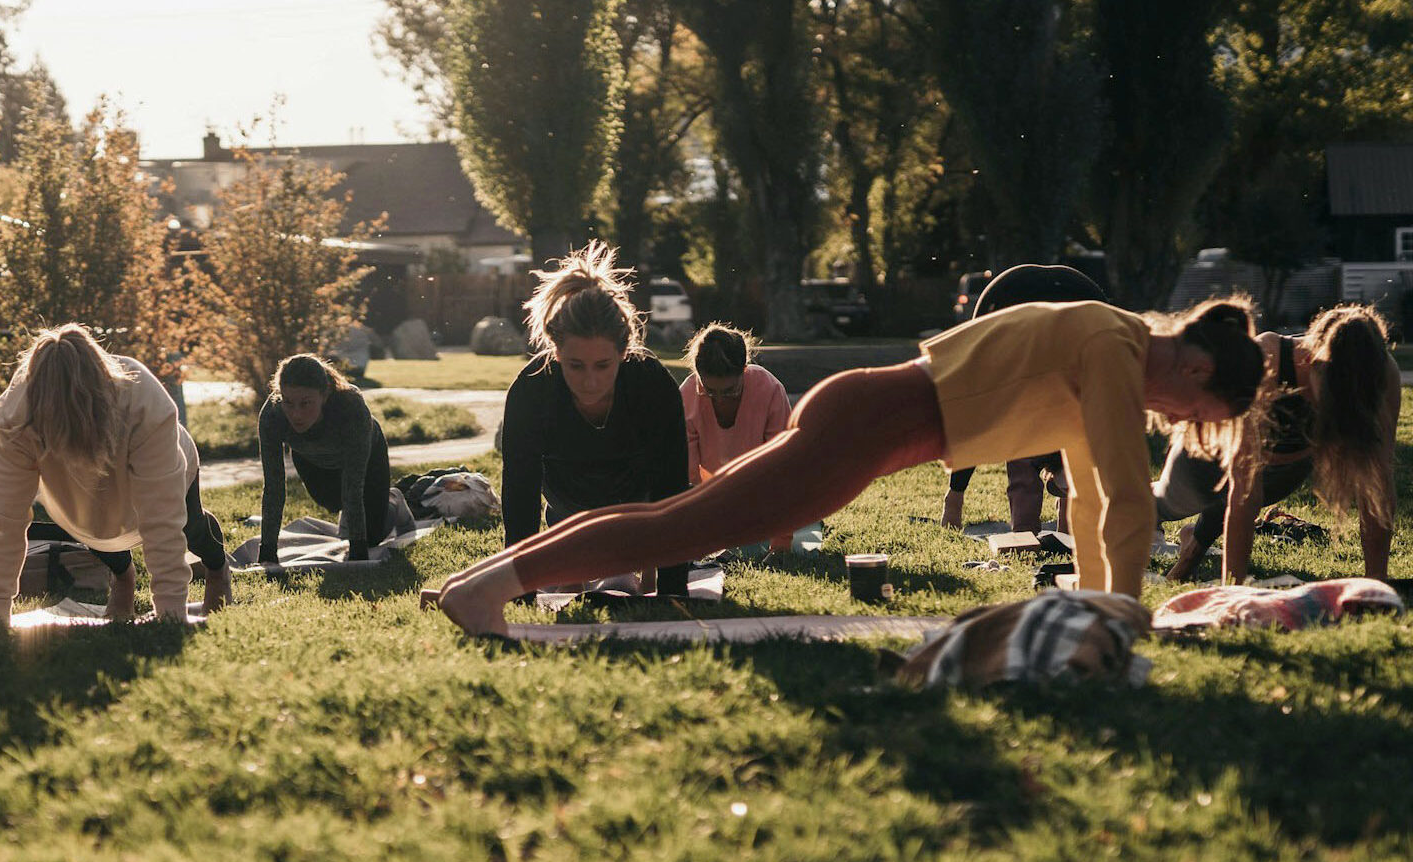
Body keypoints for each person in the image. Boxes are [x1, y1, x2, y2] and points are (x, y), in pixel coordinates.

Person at [435, 298, 1265, 635]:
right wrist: (1119, 617)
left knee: (685, 519)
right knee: (689, 522)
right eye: (1200, 417)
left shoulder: (1109, 340)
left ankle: (489, 577)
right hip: (867, 422)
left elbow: (1090, 495)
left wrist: (1094, 608)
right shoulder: (1113, 344)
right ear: (1195, 372)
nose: (1183, 426)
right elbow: (1125, 496)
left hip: (869, 425)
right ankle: (491, 588)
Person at [0, 325, 230, 623]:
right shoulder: (14, 417)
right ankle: (123, 579)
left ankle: (218, 570)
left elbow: (161, 519)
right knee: (96, 529)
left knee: (190, 528)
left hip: (162, 467)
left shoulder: (143, 402)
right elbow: (3, 520)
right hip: (81, 497)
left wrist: (171, 613)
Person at [1157, 303, 1400, 583]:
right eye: (1335, 391)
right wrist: (1233, 590)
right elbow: (1244, 492)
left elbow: (1377, 486)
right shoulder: (1268, 359)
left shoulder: (1383, 373)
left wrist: (1376, 581)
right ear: (1313, 360)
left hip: (1283, 465)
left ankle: (1193, 540)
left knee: (1222, 511)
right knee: (1168, 503)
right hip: (1208, 452)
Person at [500, 240, 691, 595]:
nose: (590, 381)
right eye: (575, 366)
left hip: (638, 498)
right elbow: (519, 494)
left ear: (624, 352)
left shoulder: (650, 382)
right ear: (556, 353)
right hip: (567, 498)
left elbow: (672, 488)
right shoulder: (531, 390)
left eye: (603, 366)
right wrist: (521, 592)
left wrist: (673, 591)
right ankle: (578, 558)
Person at [940, 263, 1111, 531]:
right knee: (1023, 458)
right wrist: (956, 494)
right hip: (1010, 305)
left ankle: (1058, 526)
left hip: (1071, 308)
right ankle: (1018, 527)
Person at [257, 353, 392, 565]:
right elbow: (273, 488)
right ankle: (352, 516)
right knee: (331, 502)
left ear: (325, 394)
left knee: (373, 537)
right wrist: (267, 551)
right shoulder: (272, 415)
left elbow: (353, 487)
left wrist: (358, 555)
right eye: (288, 402)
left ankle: (393, 500)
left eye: (306, 403)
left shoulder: (351, 406)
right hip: (312, 459)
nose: (296, 414)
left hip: (367, 457)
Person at [679, 322, 792, 553]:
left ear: (744, 370)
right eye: (710, 391)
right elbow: (688, 478)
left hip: (764, 499)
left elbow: (783, 469)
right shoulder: (688, 395)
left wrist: (781, 543)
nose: (719, 399)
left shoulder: (769, 390)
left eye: (729, 391)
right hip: (711, 502)